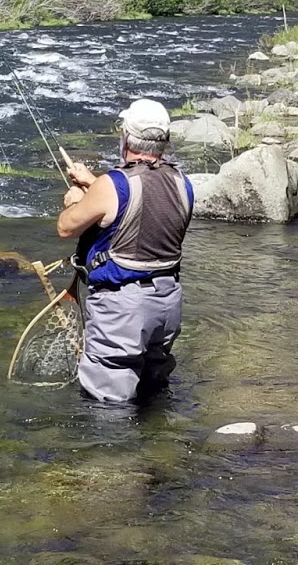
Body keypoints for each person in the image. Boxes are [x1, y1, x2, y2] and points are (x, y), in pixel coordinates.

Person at [57, 98, 194, 406]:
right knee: (153, 397)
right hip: (167, 304)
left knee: (108, 406)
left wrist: (76, 200)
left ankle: (116, 455)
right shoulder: (182, 182)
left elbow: (66, 228)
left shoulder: (111, 185)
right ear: (164, 140)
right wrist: (93, 184)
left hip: (123, 310)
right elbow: (144, 203)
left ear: (125, 137)